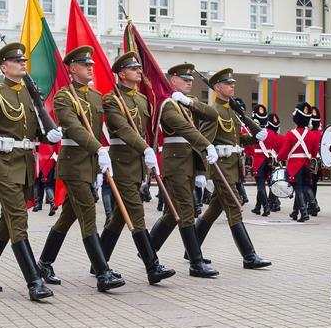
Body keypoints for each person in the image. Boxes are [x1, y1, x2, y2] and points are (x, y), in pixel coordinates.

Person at [0, 43, 60, 300]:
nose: (22, 64)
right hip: (4, 166)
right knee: (19, 221)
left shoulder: (30, 95)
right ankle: (34, 281)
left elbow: (34, 129)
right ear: (3, 67)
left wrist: (48, 134)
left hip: (26, 165)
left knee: (6, 224)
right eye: (17, 61)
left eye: (24, 60)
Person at [36, 46, 125, 292]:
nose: (90, 67)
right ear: (73, 69)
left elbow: (97, 130)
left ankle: (44, 263)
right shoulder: (64, 97)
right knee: (88, 215)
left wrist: (99, 162)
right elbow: (74, 128)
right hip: (74, 164)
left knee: (67, 217)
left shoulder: (96, 97)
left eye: (91, 65)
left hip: (91, 164)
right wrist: (98, 149)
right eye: (85, 65)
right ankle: (102, 272)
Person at [96, 51, 175, 285]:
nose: (139, 71)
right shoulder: (111, 99)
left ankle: (98, 261)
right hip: (122, 163)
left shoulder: (141, 99)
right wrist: (144, 148)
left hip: (138, 164)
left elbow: (146, 131)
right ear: (122, 73)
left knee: (120, 217)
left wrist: (149, 153)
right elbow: (122, 129)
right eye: (134, 68)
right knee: (137, 215)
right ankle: (153, 266)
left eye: (139, 68)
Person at [144, 63, 219, 277]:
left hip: (187, 162)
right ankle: (195, 262)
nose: (189, 82)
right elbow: (185, 129)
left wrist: (190, 102)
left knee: (173, 212)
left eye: (191, 80)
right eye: (184, 79)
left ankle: (148, 249)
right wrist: (206, 144)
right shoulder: (167, 105)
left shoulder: (185, 103)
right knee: (186, 210)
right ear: (172, 80)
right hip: (175, 163)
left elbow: (212, 114)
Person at [193, 68, 271, 269]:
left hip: (233, 168)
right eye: (228, 83)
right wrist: (202, 171)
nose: (233, 86)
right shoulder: (214, 112)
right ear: (217, 87)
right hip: (221, 170)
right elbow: (203, 143)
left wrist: (255, 136)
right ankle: (249, 256)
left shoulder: (232, 111)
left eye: (233, 83)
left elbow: (236, 140)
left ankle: (191, 249)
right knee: (235, 208)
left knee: (213, 210)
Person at [264, 101, 319, 223]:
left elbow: (284, 152)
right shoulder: (312, 135)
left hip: (295, 165)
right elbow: (315, 152)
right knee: (306, 185)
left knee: (298, 188)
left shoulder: (290, 134)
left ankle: (304, 213)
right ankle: (303, 208)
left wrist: (278, 159)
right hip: (307, 164)